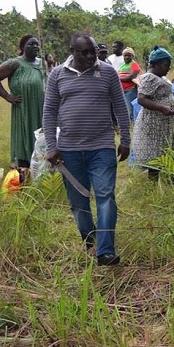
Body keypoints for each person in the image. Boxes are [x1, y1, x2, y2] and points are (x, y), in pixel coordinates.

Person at [42, 32, 130, 266]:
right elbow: (49, 111)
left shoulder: (108, 72)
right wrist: (51, 146)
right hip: (69, 150)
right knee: (79, 203)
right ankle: (91, 242)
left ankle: (105, 251)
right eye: (85, 52)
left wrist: (126, 139)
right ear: (72, 51)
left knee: (105, 196)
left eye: (94, 51)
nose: (92, 56)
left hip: (102, 147)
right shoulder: (57, 74)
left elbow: (120, 107)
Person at [0, 35, 45, 168]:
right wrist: (7, 96)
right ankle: (23, 166)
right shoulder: (15, 63)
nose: (35, 47)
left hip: (41, 107)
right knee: (24, 136)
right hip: (24, 109)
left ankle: (41, 167)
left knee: (41, 136)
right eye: (31, 44)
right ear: (22, 47)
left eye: (37, 44)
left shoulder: (42, 64)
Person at [132, 46, 174, 180]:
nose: (169, 68)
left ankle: (168, 178)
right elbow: (141, 99)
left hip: (162, 123)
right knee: (155, 152)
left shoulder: (160, 77)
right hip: (154, 124)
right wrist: (162, 108)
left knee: (164, 151)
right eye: (166, 65)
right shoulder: (150, 78)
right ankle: (155, 182)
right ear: (157, 64)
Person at [117, 47, 142, 122]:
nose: (127, 57)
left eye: (129, 55)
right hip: (122, 91)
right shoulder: (122, 65)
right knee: (124, 110)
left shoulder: (134, 64)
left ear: (132, 56)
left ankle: (132, 126)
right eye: (125, 55)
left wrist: (118, 78)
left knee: (130, 111)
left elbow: (131, 77)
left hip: (130, 90)